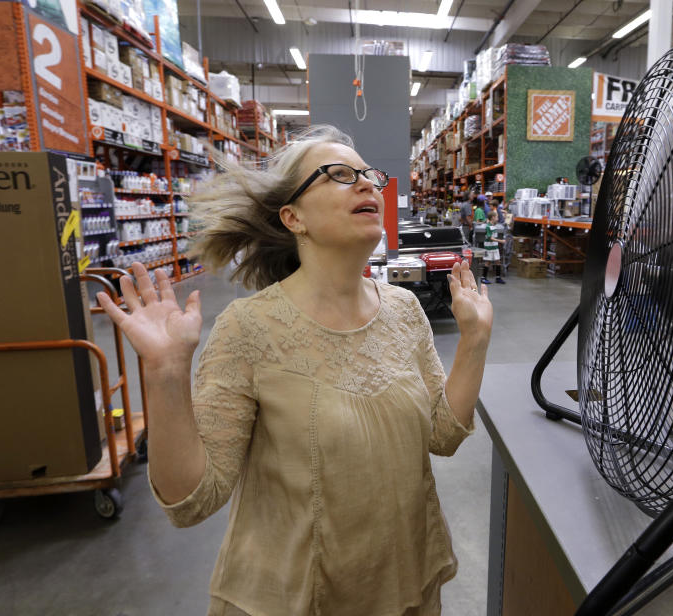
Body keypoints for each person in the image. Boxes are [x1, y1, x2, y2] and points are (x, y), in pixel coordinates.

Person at [96, 125, 494, 616]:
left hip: (404, 580)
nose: (368, 184)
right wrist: (165, 372)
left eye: (370, 175)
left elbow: (441, 435)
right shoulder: (250, 328)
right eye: (340, 175)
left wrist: (474, 339)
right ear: (293, 217)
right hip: (294, 596)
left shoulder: (405, 310)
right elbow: (192, 500)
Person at [481, 210, 505, 284]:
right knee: (488, 262)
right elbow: (490, 238)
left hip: (494, 247)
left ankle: (498, 278)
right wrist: (500, 241)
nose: (498, 218)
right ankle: (483, 278)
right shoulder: (488, 226)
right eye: (497, 216)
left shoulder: (494, 225)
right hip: (489, 247)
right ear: (493, 217)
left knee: (498, 261)